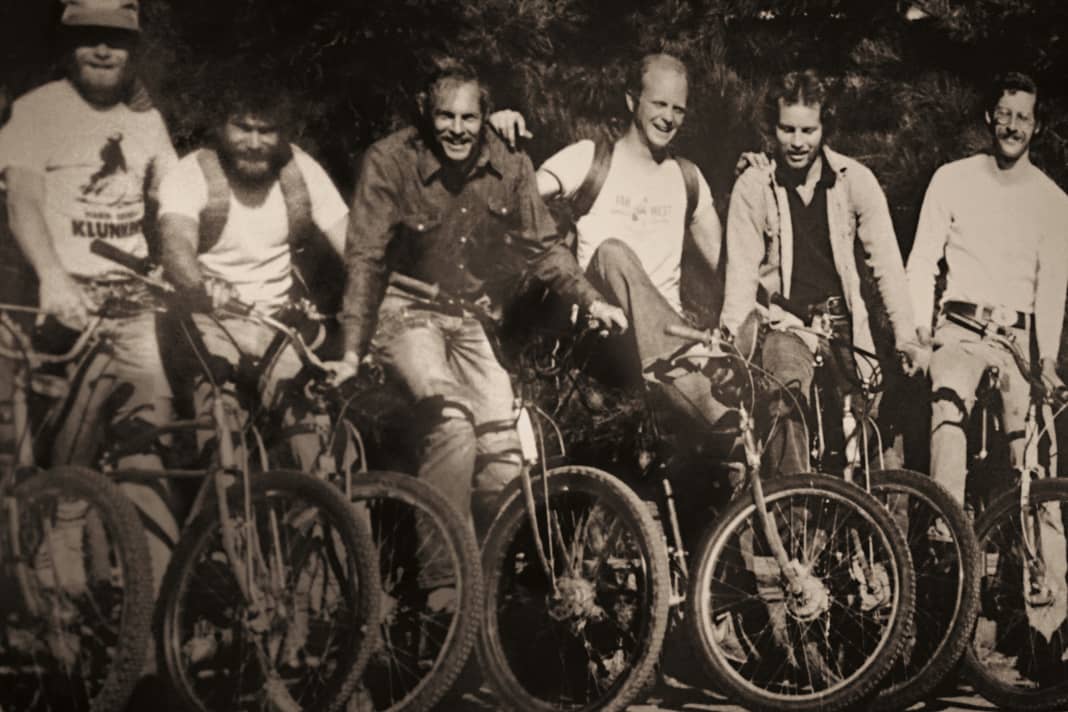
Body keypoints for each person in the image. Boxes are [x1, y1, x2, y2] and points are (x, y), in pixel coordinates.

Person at [330, 57, 624, 586]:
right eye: (445, 116)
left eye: (469, 118)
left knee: (505, 455)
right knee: (451, 420)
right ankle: (445, 589)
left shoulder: (510, 165)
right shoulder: (390, 161)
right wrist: (353, 347)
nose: (457, 130)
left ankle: (495, 590)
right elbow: (365, 259)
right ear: (426, 113)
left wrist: (593, 299)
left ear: (485, 117)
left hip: (466, 319)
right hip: (403, 311)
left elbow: (544, 248)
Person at [0, 0, 178, 592]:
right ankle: (61, 580)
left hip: (131, 303)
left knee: (147, 435)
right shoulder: (36, 110)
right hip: (64, 301)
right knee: (70, 443)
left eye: (116, 40)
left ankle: (154, 604)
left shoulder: (147, 120)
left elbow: (172, 201)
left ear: (134, 50)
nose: (103, 50)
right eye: (89, 38)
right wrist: (52, 276)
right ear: (67, 45)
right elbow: (22, 200)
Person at [492, 53, 728, 437]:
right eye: (659, 104)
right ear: (632, 100)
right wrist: (500, 143)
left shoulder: (687, 178)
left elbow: (726, 269)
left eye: (678, 109)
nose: (668, 118)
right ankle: (696, 386)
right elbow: (514, 206)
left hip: (671, 349)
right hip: (603, 339)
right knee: (612, 252)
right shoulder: (591, 158)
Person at [722, 69, 925, 478]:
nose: (798, 142)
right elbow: (740, 277)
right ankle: (794, 522)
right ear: (772, 128)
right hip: (788, 324)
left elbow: (885, 264)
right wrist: (732, 344)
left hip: (845, 325)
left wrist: (906, 335)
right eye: (787, 129)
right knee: (786, 395)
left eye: (808, 130)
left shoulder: (855, 181)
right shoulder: (755, 186)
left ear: (824, 127)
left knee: (871, 432)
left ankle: (880, 531)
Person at [157, 70, 349, 471]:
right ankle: (223, 528)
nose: (255, 143)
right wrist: (201, 284)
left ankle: (324, 526)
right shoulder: (192, 173)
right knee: (226, 448)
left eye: (267, 131)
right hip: (210, 321)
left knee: (316, 441)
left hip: (276, 325)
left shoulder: (299, 170)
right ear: (220, 126)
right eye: (242, 128)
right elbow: (176, 248)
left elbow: (354, 245)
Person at [907, 71, 1068, 507]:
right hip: (959, 329)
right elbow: (922, 260)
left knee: (1033, 443)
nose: (1013, 127)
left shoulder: (1053, 202)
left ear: (1036, 126)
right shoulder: (952, 179)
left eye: (1023, 118)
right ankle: (950, 537)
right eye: (1004, 115)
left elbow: (1052, 290)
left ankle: (1048, 572)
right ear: (988, 117)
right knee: (948, 404)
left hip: (1016, 341)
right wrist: (920, 331)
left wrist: (1047, 359)